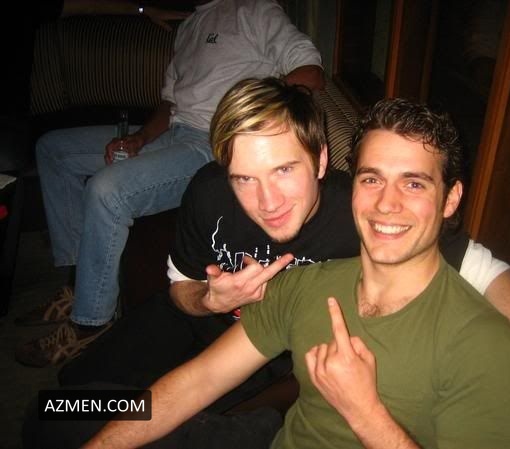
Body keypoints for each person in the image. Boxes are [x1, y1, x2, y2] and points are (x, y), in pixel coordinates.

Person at [49, 77, 510, 448]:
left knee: (173, 419)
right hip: (193, 317)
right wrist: (207, 299)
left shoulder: (368, 212)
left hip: (263, 348)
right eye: (245, 178)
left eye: (284, 170)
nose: (267, 201)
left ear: (321, 160)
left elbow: (491, 272)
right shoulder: (209, 193)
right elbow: (180, 286)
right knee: (63, 409)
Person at [14, 0, 325, 367]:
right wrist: (141, 138)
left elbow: (310, 72)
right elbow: (170, 103)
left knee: (107, 191)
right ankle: (79, 279)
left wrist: (245, 119)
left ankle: (90, 323)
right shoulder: (191, 23)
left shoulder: (255, 11)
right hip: (173, 134)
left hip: (209, 144)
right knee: (53, 150)